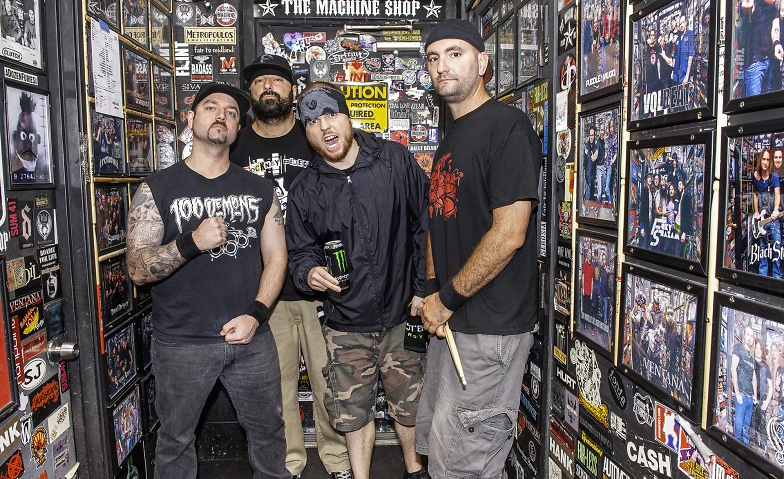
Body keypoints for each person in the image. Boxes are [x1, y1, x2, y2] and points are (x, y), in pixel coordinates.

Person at [126, 82, 290, 479]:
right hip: (182, 342)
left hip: (251, 339)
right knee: (176, 441)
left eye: (232, 113)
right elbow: (137, 269)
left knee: (269, 434)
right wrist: (192, 242)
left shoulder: (259, 189)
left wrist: (256, 315)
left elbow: (277, 257)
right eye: (211, 107)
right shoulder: (157, 188)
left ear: (238, 129)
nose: (222, 116)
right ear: (191, 119)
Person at [286, 82, 430, 479]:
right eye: (311, 121)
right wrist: (308, 272)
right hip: (346, 324)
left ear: (348, 117)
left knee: (410, 407)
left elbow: (426, 226)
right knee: (352, 413)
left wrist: (423, 290)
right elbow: (300, 252)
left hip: (404, 315)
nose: (323, 127)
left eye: (330, 114)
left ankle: (415, 472)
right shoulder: (305, 189)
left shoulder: (394, 160)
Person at [417, 19, 540, 479]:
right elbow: (438, 219)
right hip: (452, 319)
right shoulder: (452, 136)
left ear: (483, 63)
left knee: (463, 465)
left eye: (455, 53)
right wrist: (432, 288)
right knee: (438, 450)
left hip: (490, 327)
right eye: (434, 57)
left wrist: (446, 298)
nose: (442, 65)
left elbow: (509, 234)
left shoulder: (507, 127)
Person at [230, 55, 352, 479]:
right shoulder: (236, 145)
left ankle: (337, 460)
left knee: (330, 380)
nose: (268, 87)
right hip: (263, 290)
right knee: (277, 387)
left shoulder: (314, 136)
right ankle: (289, 464)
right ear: (250, 92)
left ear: (292, 90)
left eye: (277, 80)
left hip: (320, 284)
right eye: (259, 81)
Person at [740, 0, 781, 96]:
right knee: (753, 102)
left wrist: (776, 43)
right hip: (754, 64)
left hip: (768, 61)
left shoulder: (773, 8)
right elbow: (747, 8)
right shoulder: (755, 4)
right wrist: (747, 7)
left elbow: (775, 26)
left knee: (765, 100)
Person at [752, 148, 781, 278]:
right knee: (762, 250)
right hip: (762, 221)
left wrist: (775, 209)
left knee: (776, 248)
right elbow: (755, 195)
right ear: (760, 160)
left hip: (773, 219)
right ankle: (762, 278)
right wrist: (756, 211)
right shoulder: (756, 177)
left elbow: (777, 194)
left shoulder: (774, 177)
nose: (765, 162)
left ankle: (777, 278)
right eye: (763, 159)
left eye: (768, 159)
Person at [732, 325, 758, 446]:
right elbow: (733, 368)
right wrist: (737, 393)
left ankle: (744, 451)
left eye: (752, 336)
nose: (750, 338)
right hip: (741, 396)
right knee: (738, 427)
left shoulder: (752, 357)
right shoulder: (738, 349)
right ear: (743, 336)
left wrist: (755, 396)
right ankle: (735, 450)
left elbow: (754, 378)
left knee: (746, 429)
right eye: (748, 334)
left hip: (749, 398)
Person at [751, 339, 773, 451]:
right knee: (752, 423)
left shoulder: (765, 366)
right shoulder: (751, 362)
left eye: (760, 348)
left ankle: (765, 449)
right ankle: (752, 446)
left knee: (762, 425)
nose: (758, 351)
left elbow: (771, 386)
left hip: (762, 400)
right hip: (751, 398)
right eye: (757, 348)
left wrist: (767, 401)